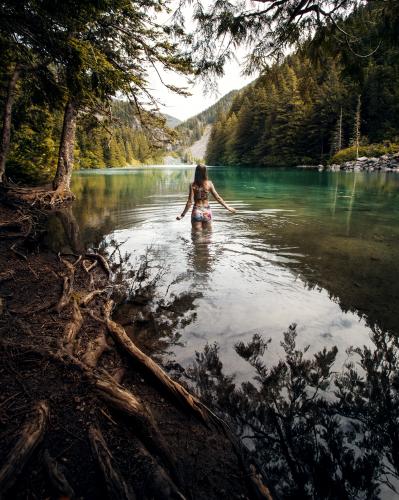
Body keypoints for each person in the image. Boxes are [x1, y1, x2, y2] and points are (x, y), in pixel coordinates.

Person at [176, 164, 236, 229]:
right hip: (207, 212)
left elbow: (190, 202)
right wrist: (228, 207)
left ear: (196, 172)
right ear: (205, 172)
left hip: (197, 211)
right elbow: (218, 198)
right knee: (208, 235)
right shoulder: (209, 184)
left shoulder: (192, 185)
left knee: (196, 236)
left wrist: (182, 215)